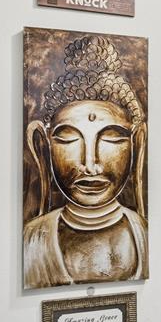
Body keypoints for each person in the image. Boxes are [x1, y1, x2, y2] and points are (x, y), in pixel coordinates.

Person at [24, 35, 148, 289]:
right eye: (69, 139)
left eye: (112, 139)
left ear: (137, 142)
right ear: (42, 144)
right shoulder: (31, 240)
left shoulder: (145, 235)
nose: (90, 165)